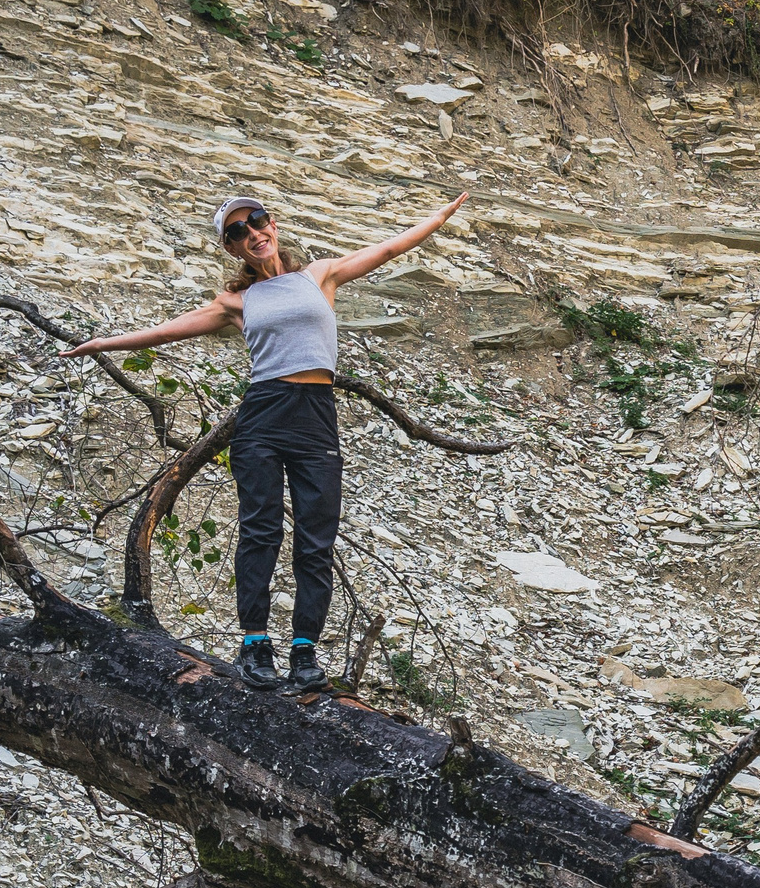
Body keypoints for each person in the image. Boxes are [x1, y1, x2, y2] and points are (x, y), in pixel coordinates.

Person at [63, 190, 467, 690]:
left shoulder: (319, 275)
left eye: (256, 221)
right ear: (232, 248)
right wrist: (104, 343)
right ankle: (255, 643)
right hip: (263, 416)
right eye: (237, 232)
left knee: (316, 539)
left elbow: (386, 250)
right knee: (261, 529)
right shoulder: (235, 302)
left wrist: (440, 216)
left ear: (272, 225)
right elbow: (168, 332)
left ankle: (304, 653)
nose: (251, 233)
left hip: (316, 416)